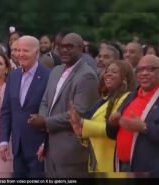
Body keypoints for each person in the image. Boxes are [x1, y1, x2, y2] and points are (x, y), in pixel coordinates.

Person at [28, 33, 99, 177]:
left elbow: (79, 113)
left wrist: (45, 122)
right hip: (51, 148)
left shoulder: (87, 75)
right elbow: (45, 101)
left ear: (81, 48)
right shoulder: (56, 71)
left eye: (70, 47)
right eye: (61, 47)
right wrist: (42, 119)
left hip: (72, 152)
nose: (64, 50)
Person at [106, 55, 159, 172]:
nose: (144, 73)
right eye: (140, 70)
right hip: (122, 165)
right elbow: (112, 134)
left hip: (153, 170)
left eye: (150, 69)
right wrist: (113, 124)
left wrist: (144, 127)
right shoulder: (131, 96)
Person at [69, 60, 135, 172]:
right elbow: (91, 131)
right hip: (97, 164)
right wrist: (80, 133)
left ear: (125, 78)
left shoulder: (127, 99)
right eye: (107, 71)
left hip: (113, 165)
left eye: (114, 72)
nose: (108, 74)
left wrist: (82, 122)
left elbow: (112, 130)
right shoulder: (102, 101)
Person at [0, 35, 50, 176]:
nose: (20, 54)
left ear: (37, 52)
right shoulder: (13, 76)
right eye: (18, 50)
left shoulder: (49, 76)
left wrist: (46, 143)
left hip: (39, 148)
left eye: (25, 51)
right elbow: (6, 111)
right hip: (17, 147)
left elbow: (51, 112)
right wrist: (3, 141)